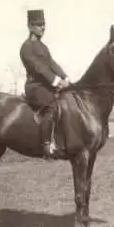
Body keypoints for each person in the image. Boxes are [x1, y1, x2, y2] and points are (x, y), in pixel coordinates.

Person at [19, 9, 71, 159]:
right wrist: (56, 81)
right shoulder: (26, 47)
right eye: (38, 24)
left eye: (43, 24)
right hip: (35, 87)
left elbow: (52, 64)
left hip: (46, 85)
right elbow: (38, 67)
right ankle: (46, 145)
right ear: (29, 26)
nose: (42, 27)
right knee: (51, 105)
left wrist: (65, 77)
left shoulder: (43, 47)